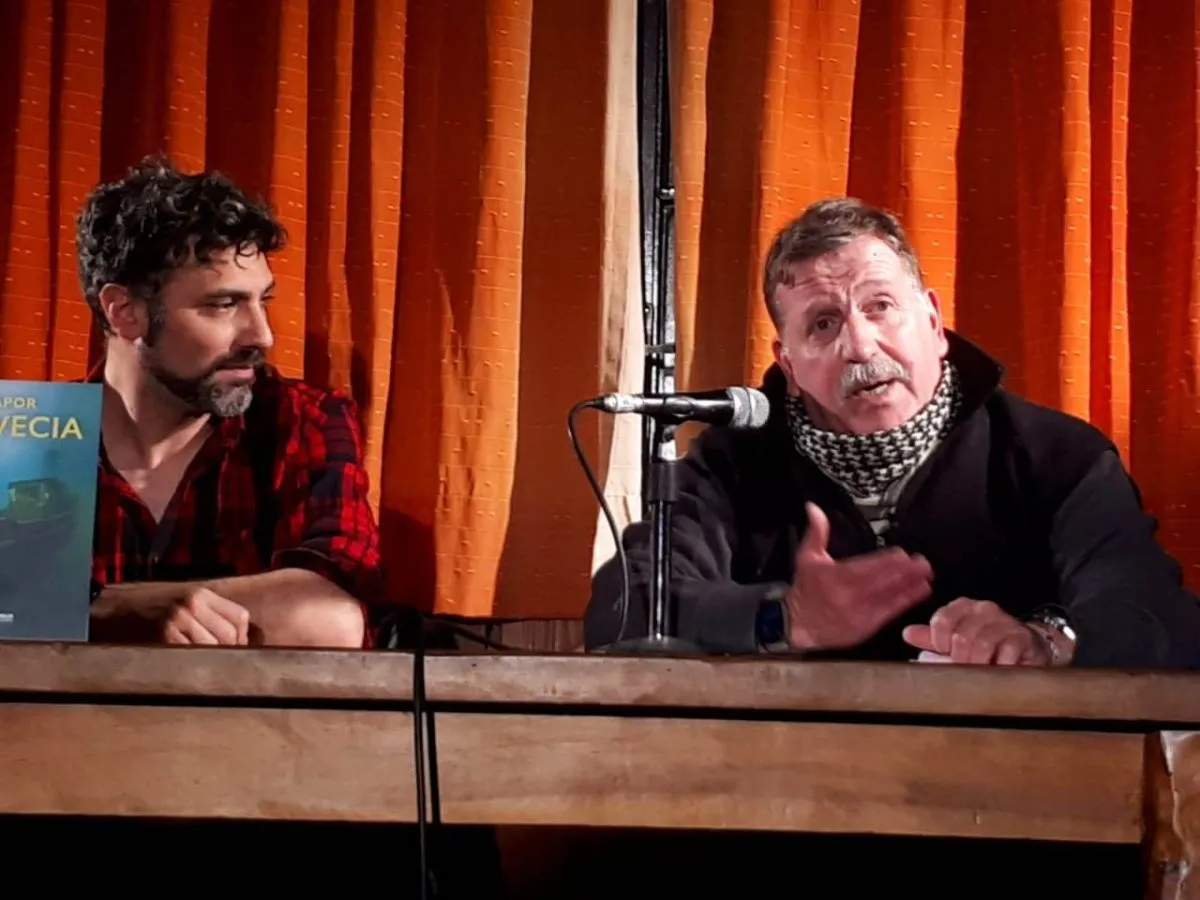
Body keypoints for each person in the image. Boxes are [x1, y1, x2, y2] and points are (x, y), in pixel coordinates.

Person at [585, 197, 1200, 668]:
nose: (860, 345)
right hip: (793, 780)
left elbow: (1157, 616)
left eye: (880, 306)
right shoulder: (732, 464)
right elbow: (620, 609)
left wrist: (1045, 641)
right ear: (788, 366)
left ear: (933, 322)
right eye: (823, 324)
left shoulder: (1057, 457)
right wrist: (783, 619)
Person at [76, 156, 385, 648]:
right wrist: (116, 609)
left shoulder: (302, 420)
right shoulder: (27, 437)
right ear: (125, 312)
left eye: (263, 301)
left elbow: (329, 619)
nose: (261, 335)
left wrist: (94, 609)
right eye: (223, 305)